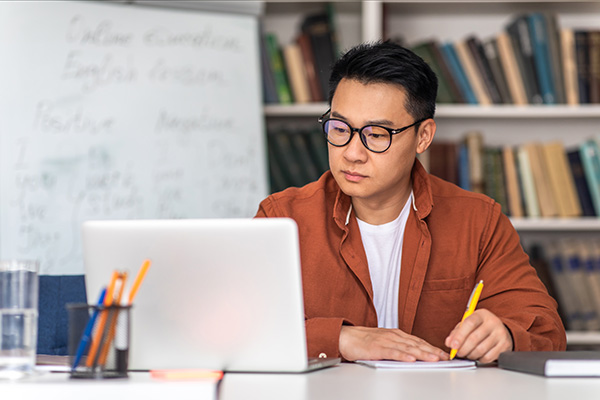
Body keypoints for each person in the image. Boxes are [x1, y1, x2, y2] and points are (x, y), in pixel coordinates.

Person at [255, 41, 566, 364]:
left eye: (376, 135)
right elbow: (233, 330)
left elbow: (547, 331)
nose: (351, 153)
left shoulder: (477, 220)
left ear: (423, 136)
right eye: (340, 128)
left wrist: (506, 334)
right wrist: (341, 338)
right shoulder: (282, 218)